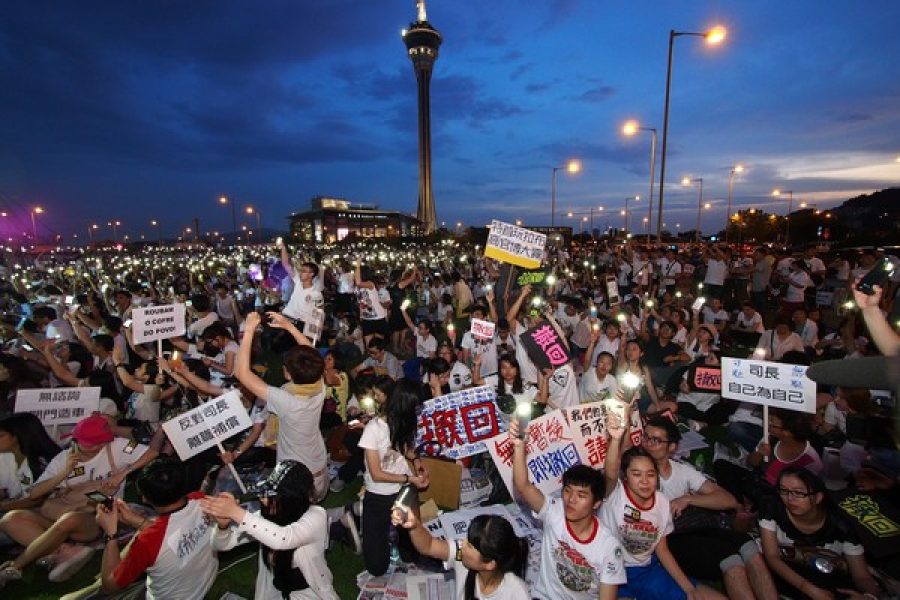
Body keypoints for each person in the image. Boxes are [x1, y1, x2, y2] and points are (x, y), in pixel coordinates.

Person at [0, 414, 156, 586]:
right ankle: (64, 550)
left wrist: (123, 473)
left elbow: (152, 452)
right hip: (60, 513)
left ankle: (17, 565)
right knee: (10, 519)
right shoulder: (63, 459)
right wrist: (64, 473)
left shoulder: (117, 446)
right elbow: (35, 494)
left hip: (95, 518)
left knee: (69, 520)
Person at [641, 417, 778, 600]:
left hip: (696, 527)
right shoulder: (636, 470)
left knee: (748, 545)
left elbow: (727, 499)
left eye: (656, 440)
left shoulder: (682, 471)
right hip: (670, 537)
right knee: (731, 560)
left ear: (672, 447)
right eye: (646, 437)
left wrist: (688, 499)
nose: (648, 444)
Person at [602, 405, 726, 600]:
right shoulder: (615, 493)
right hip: (611, 572)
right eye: (636, 474)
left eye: (650, 475)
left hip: (646, 571)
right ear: (624, 477)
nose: (644, 480)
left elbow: (662, 549)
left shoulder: (661, 502)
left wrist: (689, 589)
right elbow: (610, 471)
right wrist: (616, 438)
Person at [508, 418, 624, 600]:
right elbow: (523, 486)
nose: (571, 499)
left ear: (597, 503)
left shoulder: (608, 547)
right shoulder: (554, 512)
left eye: (582, 495)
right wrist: (519, 446)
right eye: (568, 491)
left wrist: (616, 440)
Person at [203, 460, 340, 599]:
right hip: (276, 589)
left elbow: (283, 538)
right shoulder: (266, 519)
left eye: (272, 496)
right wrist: (223, 526)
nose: (263, 500)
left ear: (291, 501)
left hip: (309, 592)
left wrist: (236, 512)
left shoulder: (316, 516)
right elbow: (221, 545)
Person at [94, 457, 223, 599]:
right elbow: (171, 535)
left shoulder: (147, 542)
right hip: (203, 582)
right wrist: (133, 519)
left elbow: (110, 586)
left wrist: (110, 533)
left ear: (145, 498)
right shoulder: (200, 499)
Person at [234, 311, 329, 502]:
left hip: (298, 480)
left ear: (287, 374)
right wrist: (289, 326)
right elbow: (312, 353)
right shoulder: (319, 386)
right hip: (320, 471)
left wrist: (249, 330)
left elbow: (241, 372)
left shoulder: (286, 400)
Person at [759, 467, 882, 600]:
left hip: (827, 582)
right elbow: (772, 557)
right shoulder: (773, 509)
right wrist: (809, 589)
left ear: (818, 497)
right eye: (784, 491)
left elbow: (861, 576)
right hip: (787, 580)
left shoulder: (840, 528)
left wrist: (868, 597)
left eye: (799, 493)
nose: (790, 498)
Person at [358, 379, 430, 576]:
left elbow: (407, 450)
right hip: (379, 493)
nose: (418, 411)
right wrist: (409, 479)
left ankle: (400, 539)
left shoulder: (404, 422)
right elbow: (376, 474)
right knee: (376, 568)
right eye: (415, 407)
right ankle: (351, 517)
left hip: (403, 492)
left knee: (413, 552)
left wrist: (417, 464)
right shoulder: (374, 428)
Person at [392, 509, 530, 600]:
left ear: (489, 564)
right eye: (467, 539)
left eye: (470, 545)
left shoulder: (516, 593)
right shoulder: (461, 555)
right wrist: (414, 526)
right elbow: (429, 545)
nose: (462, 544)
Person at [0, 413, 61, 513]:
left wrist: (3, 506)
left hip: (39, 514)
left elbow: (36, 499)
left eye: (1, 436)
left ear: (17, 436)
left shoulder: (45, 462)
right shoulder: (5, 457)